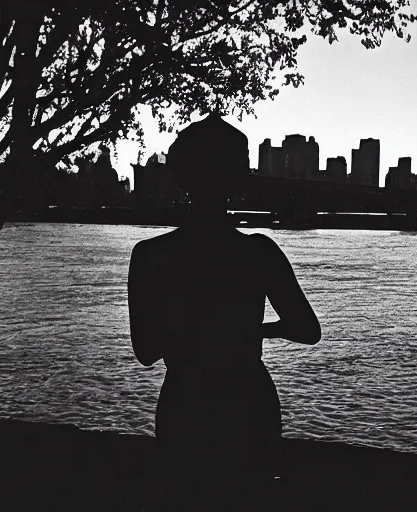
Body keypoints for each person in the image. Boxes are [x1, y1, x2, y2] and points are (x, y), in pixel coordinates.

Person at [127, 114, 321, 508]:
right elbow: (307, 329)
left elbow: (146, 351)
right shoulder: (259, 253)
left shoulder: (150, 256)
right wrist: (255, 331)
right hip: (248, 404)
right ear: (237, 181)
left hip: (186, 405)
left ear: (181, 178)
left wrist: (188, 331)